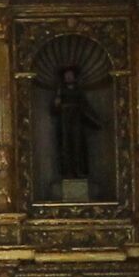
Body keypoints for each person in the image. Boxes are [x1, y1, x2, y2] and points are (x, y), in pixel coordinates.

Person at [47, 57, 98, 197]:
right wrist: (57, 103)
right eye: (67, 75)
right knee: (65, 147)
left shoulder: (79, 91)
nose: (69, 77)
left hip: (77, 123)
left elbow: (86, 107)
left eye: (71, 75)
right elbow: (53, 110)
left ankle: (79, 171)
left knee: (78, 146)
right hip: (64, 124)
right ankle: (67, 172)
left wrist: (95, 119)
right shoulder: (60, 91)